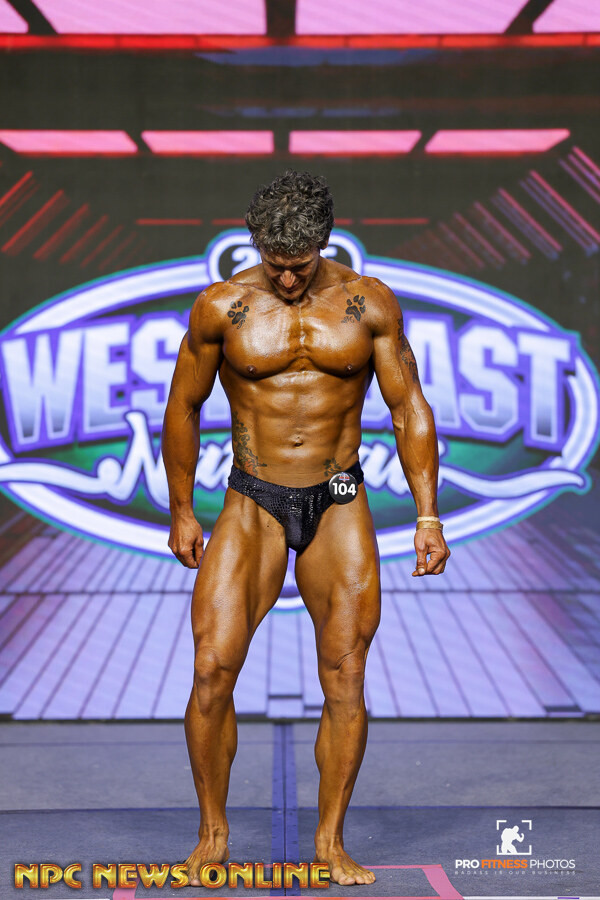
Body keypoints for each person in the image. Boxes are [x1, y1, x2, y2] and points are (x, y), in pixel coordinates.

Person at [162, 171, 450, 886]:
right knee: (210, 669)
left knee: (345, 674)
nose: (288, 279)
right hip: (252, 496)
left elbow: (408, 406)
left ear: (324, 244)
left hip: (340, 494)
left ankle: (330, 842)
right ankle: (212, 835)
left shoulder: (368, 303)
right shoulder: (222, 306)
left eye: (300, 265)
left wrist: (427, 514)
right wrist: (181, 509)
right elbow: (184, 405)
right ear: (255, 246)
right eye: (275, 265)